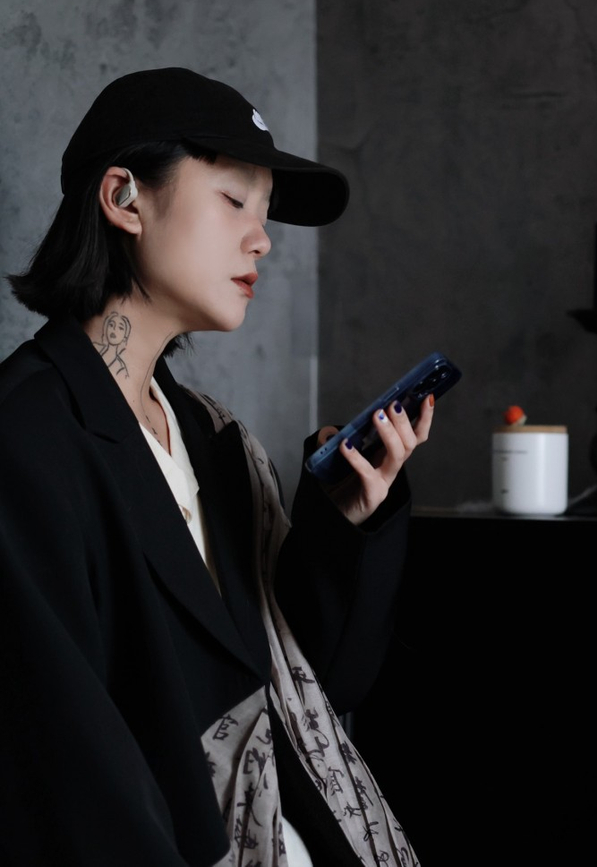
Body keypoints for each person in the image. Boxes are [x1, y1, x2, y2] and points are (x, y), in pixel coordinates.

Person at [0, 67, 434, 867]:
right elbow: (65, 769)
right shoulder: (26, 440)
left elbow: (316, 695)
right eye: (235, 201)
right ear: (124, 198)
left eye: (265, 214)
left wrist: (344, 523)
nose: (261, 239)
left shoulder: (212, 438)